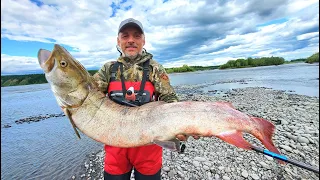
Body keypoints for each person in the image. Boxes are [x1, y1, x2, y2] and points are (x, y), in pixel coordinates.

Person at [94, 18, 191, 180]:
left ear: (143, 40)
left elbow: (170, 99)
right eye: (125, 36)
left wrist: (179, 127)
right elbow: (91, 97)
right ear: (118, 41)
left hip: (149, 146)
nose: (131, 40)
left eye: (136, 36)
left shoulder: (155, 68)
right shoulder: (108, 69)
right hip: (115, 146)